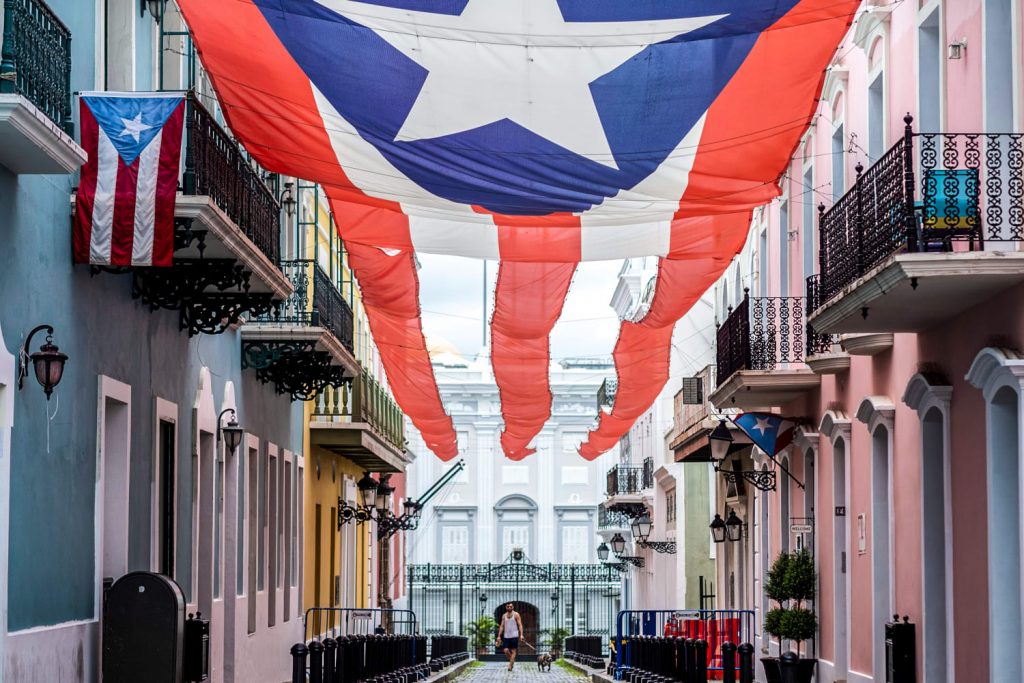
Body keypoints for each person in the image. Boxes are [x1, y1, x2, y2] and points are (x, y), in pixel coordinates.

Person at [496, 602, 524, 671]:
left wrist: (521, 635)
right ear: (506, 607)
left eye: (510, 606)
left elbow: (520, 625)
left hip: (514, 635)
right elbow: (502, 626)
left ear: (513, 607)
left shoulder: (516, 614)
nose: (509, 608)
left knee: (514, 650)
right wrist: (499, 636)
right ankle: (512, 661)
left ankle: (510, 665)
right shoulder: (504, 616)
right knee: (505, 650)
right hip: (506, 636)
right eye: (508, 606)